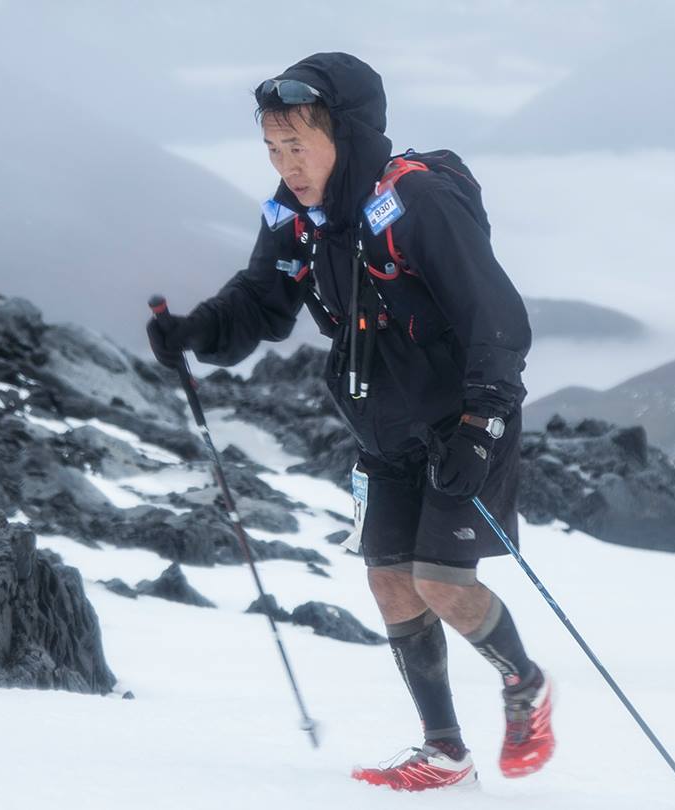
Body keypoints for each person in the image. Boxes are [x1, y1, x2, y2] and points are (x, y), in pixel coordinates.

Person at [147, 52, 553, 791]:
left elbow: (496, 319)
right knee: (390, 582)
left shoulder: (418, 203)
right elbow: (262, 297)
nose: (286, 165)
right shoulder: (295, 214)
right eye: (273, 148)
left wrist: (482, 426)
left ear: (349, 135)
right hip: (383, 429)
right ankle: (444, 752)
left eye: (297, 145)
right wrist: (197, 332)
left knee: (441, 581)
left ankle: (523, 683)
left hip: (461, 421)